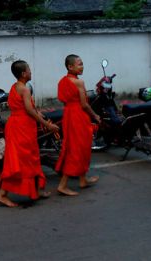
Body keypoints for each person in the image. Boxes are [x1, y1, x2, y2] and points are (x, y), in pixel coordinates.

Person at [0, 60, 58, 207]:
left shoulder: (15, 87)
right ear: (23, 74)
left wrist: (39, 114)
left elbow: (26, 108)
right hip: (21, 127)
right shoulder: (24, 89)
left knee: (32, 158)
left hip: (18, 125)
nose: (31, 72)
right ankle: (2, 194)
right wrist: (47, 124)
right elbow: (28, 110)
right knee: (21, 161)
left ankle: (37, 189)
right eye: (29, 69)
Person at [55, 54, 102, 196]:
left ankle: (82, 180)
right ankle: (62, 185)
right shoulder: (78, 82)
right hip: (78, 116)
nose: (82, 66)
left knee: (78, 147)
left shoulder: (62, 81)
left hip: (68, 115)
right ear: (70, 67)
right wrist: (95, 115)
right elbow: (84, 104)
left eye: (82, 63)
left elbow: (64, 100)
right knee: (77, 149)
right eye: (79, 64)